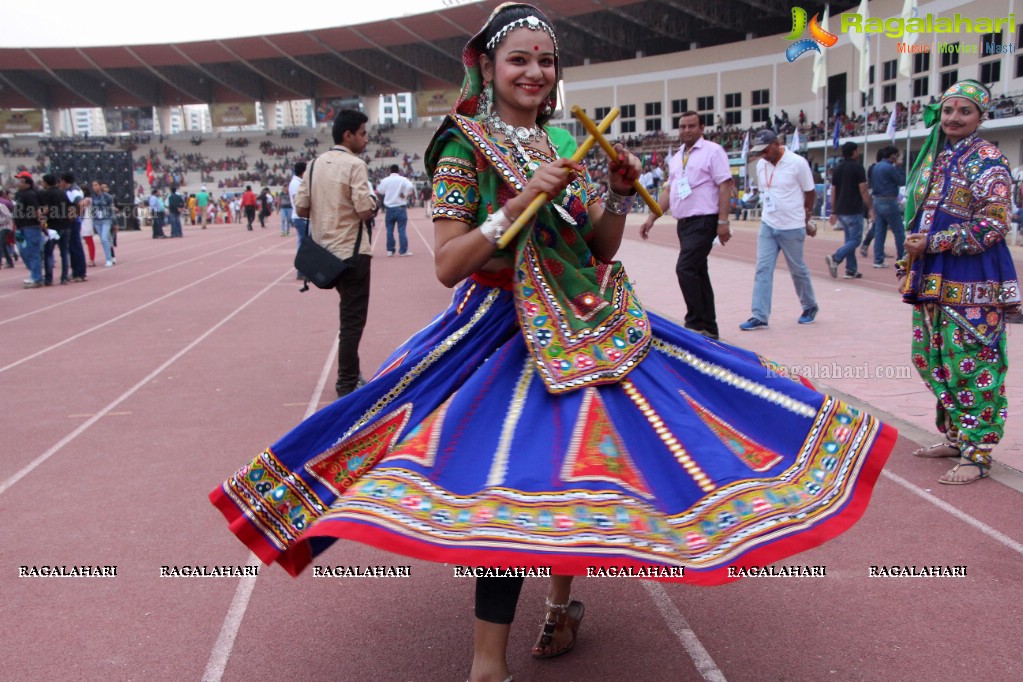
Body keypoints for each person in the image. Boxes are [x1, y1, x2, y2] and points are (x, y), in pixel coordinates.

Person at [210, 6, 893, 682]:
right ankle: (485, 667)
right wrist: (515, 204)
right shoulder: (463, 145)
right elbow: (449, 264)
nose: (534, 71)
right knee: (508, 485)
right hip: (497, 334)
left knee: (581, 475)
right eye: (520, 59)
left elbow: (596, 247)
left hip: (584, 323)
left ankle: (561, 607)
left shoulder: (564, 145)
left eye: (545, 60)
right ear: (487, 66)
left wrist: (620, 194)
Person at [899, 80, 1020, 485]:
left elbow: (995, 224)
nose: (953, 118)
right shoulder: (939, 157)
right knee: (930, 358)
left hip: (973, 282)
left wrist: (935, 242)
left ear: (981, 117)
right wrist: (911, 257)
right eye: (949, 110)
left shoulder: (988, 160)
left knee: (970, 363)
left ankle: (979, 451)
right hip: (932, 278)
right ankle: (955, 434)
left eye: (964, 111)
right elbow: (925, 214)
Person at [294, 110, 377, 398]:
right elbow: (364, 211)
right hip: (352, 253)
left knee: (348, 318)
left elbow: (301, 209)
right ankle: (346, 382)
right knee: (353, 321)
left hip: (324, 255)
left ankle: (352, 374)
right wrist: (373, 203)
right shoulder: (355, 165)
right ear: (348, 135)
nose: (366, 139)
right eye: (363, 133)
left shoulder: (314, 165)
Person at [640, 111, 732, 339]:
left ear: (702, 128)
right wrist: (652, 217)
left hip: (705, 219)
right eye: (682, 126)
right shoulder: (677, 157)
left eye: (691, 126)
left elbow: (724, 185)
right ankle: (709, 327)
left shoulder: (713, 151)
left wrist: (723, 221)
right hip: (684, 222)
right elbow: (670, 191)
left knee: (686, 268)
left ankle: (694, 322)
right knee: (699, 271)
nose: (686, 130)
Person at [740, 129, 819, 330]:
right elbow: (767, 191)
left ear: (777, 143)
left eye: (765, 150)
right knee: (762, 269)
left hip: (792, 225)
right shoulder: (760, 165)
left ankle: (809, 306)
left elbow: (810, 192)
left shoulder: (797, 163)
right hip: (768, 224)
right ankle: (759, 315)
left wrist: (806, 216)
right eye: (759, 152)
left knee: (797, 269)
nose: (763, 155)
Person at [824, 141, 873, 280]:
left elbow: (833, 191)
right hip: (854, 209)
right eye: (857, 150)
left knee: (849, 240)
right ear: (854, 152)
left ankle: (851, 269)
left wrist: (833, 211)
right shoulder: (858, 168)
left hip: (841, 209)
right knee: (856, 240)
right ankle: (836, 257)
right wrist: (870, 207)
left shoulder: (838, 169)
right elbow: (863, 189)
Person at [869, 145, 906, 267]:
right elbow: (901, 181)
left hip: (877, 200)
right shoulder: (890, 168)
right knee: (899, 231)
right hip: (889, 200)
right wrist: (899, 167)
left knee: (880, 231)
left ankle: (878, 260)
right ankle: (902, 258)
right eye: (896, 155)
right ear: (892, 156)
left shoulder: (876, 167)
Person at [39, 173, 73, 285]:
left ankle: (48, 278)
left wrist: (41, 217)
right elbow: (70, 207)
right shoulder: (62, 193)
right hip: (65, 225)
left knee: (49, 252)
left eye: (43, 182)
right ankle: (64, 277)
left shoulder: (46, 194)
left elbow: (46, 209)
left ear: (46, 182)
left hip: (53, 226)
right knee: (64, 252)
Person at [376, 163, 415, 256]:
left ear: (390, 170)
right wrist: (404, 193)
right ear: (398, 171)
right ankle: (403, 251)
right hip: (400, 207)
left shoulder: (385, 180)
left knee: (389, 230)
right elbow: (411, 186)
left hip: (389, 208)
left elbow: (380, 190)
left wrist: (388, 191)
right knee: (401, 230)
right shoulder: (403, 179)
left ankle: (390, 250)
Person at [13, 171, 44, 288]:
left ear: (27, 183)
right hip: (21, 227)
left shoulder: (30, 195)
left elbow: (36, 210)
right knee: (23, 251)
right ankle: (35, 273)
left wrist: (42, 222)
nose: (19, 183)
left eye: (21, 181)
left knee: (33, 252)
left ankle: (37, 278)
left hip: (31, 226)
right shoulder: (19, 195)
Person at [60, 172, 88, 282]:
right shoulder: (70, 190)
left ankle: (80, 272)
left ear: (64, 181)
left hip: (73, 222)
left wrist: (76, 215)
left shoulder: (73, 191)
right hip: (72, 221)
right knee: (72, 247)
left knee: (76, 246)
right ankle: (76, 271)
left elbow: (81, 203)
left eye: (60, 181)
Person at [289, 161, 308, 279]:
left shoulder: (298, 182)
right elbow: (298, 201)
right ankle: (301, 271)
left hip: (302, 217)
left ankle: (304, 270)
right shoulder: (296, 184)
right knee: (303, 245)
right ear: (303, 171)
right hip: (300, 217)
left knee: (304, 244)